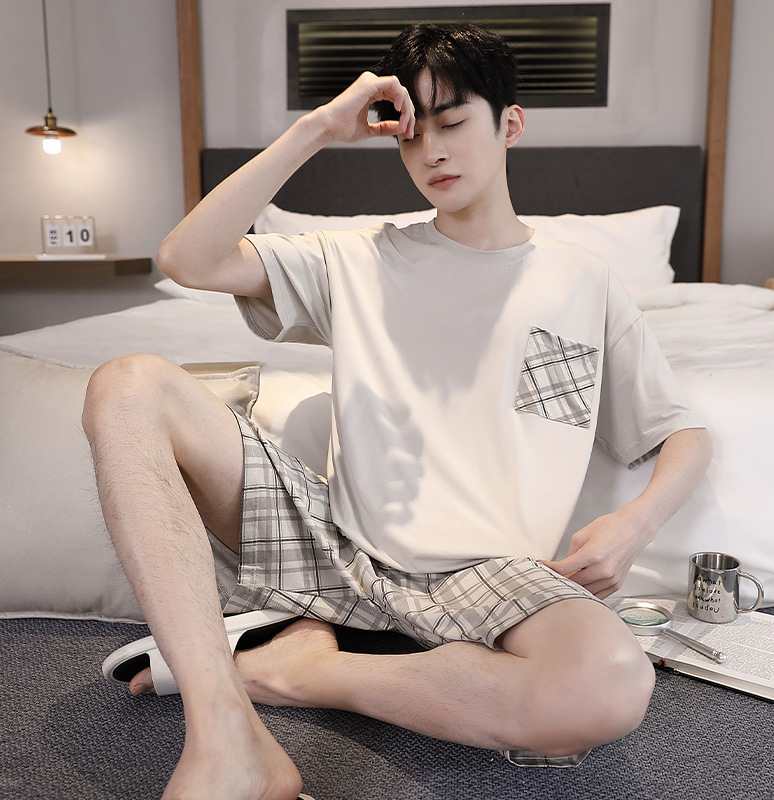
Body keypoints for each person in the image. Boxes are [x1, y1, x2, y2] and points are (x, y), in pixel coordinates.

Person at [82, 22, 712, 800]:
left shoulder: (584, 281)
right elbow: (187, 258)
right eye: (414, 134)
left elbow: (683, 433)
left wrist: (636, 523)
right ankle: (224, 739)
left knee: (609, 684)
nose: (433, 152)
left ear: (510, 125)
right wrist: (318, 129)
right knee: (127, 383)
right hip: (336, 543)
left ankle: (302, 670)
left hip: (491, 574)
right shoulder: (357, 258)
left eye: (454, 122)